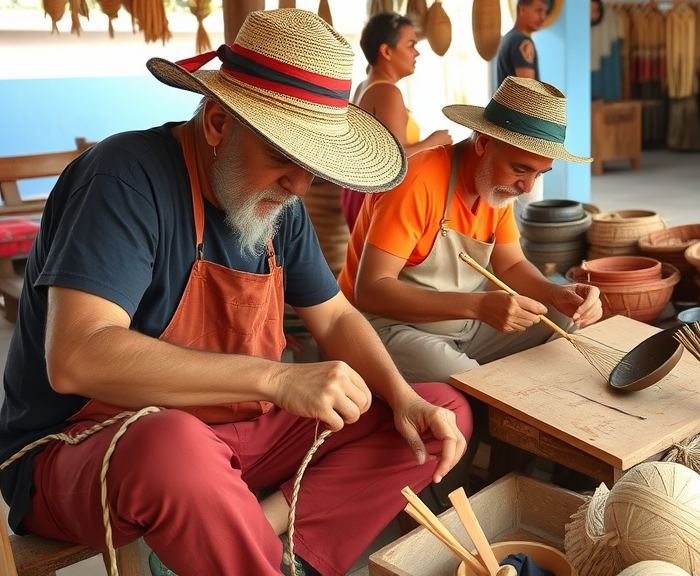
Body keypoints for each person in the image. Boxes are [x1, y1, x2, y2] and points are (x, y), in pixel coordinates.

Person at [0, 9, 470, 576]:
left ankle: (257, 535)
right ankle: (245, 547)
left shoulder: (279, 207)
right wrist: (276, 377)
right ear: (219, 121)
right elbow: (77, 357)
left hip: (233, 436)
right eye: (283, 159)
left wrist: (402, 396)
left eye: (312, 167)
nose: (299, 185)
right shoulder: (124, 179)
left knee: (439, 411)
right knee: (173, 446)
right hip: (84, 451)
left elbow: (336, 316)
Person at [338, 77, 600, 385]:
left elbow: (511, 265)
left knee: (560, 316)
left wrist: (555, 292)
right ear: (484, 144)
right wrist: (478, 305)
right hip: (386, 327)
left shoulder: (495, 187)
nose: (527, 187)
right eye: (520, 169)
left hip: (465, 323)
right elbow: (370, 291)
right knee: (472, 383)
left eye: (539, 173)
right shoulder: (418, 181)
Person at [339, 12, 453, 231]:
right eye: (410, 45)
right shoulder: (386, 91)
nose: (417, 52)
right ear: (386, 51)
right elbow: (395, 161)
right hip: (378, 203)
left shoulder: (365, 85)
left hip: (359, 196)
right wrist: (435, 142)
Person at [496, 0, 547, 88]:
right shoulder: (523, 42)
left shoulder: (507, 38)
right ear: (522, 9)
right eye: (538, 10)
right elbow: (528, 92)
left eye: (544, 12)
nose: (542, 17)